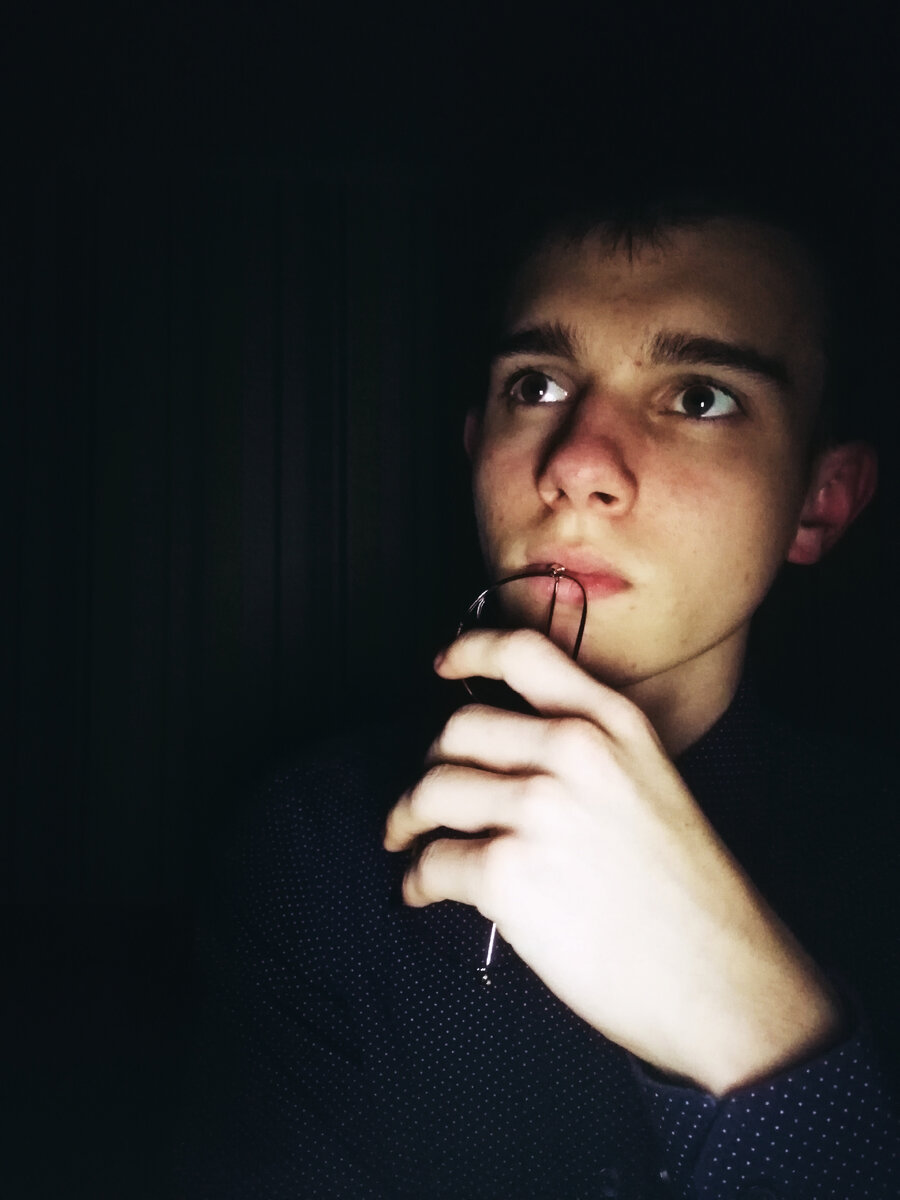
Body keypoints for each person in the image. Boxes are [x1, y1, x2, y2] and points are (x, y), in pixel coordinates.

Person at [178, 186, 900, 1198]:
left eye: (701, 397)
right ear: (478, 443)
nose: (579, 466)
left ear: (819, 502)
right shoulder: (314, 855)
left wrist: (774, 1047)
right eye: (540, 385)